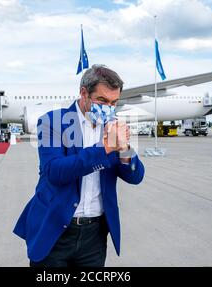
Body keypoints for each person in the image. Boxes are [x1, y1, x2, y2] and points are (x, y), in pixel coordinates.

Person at [13, 64, 145, 267]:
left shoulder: (112, 125)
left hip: (94, 235)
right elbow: (55, 171)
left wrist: (124, 147)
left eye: (114, 102)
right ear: (84, 93)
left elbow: (135, 176)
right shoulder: (53, 122)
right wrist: (105, 148)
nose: (109, 108)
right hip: (55, 229)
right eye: (102, 100)